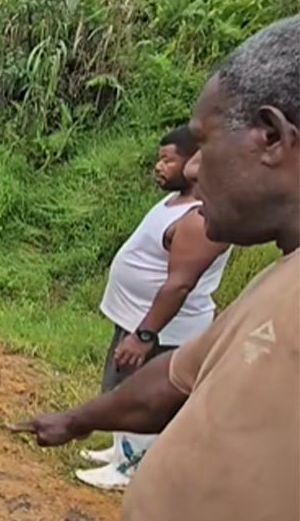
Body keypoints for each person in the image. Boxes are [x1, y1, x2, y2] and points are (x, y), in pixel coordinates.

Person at [15, 15, 299, 521]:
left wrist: (143, 333)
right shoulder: (277, 279)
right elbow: (173, 379)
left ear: (272, 138)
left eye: (205, 145)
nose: (192, 171)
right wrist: (77, 420)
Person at [76, 126, 230, 490]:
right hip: (136, 320)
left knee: (143, 394)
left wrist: (145, 334)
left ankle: (131, 468)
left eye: (167, 159)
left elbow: (179, 284)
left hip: (161, 331)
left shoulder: (199, 218)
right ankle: (119, 450)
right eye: (159, 159)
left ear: (195, 160)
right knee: (120, 386)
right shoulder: (175, 202)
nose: (159, 166)